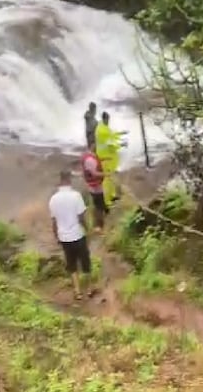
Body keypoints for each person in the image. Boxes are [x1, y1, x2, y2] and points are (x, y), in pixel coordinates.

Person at [48, 170, 94, 301]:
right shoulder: (76, 196)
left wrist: (56, 237)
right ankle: (89, 289)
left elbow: (54, 222)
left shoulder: (53, 199)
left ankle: (77, 291)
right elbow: (81, 217)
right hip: (78, 234)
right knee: (85, 261)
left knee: (71, 264)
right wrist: (88, 230)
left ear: (60, 181)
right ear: (69, 180)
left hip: (64, 237)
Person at [95, 111, 125, 207]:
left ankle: (112, 196)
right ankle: (107, 202)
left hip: (108, 158)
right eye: (108, 120)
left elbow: (111, 135)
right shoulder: (102, 131)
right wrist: (122, 144)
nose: (109, 122)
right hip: (105, 158)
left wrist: (121, 133)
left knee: (111, 178)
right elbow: (111, 145)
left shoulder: (102, 127)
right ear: (105, 119)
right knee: (107, 179)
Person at [81, 144, 107, 232]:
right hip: (95, 187)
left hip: (94, 185)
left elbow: (97, 161)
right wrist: (107, 174)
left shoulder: (89, 156)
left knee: (99, 204)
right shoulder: (90, 160)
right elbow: (94, 173)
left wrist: (106, 159)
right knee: (98, 206)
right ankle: (98, 226)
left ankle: (100, 220)